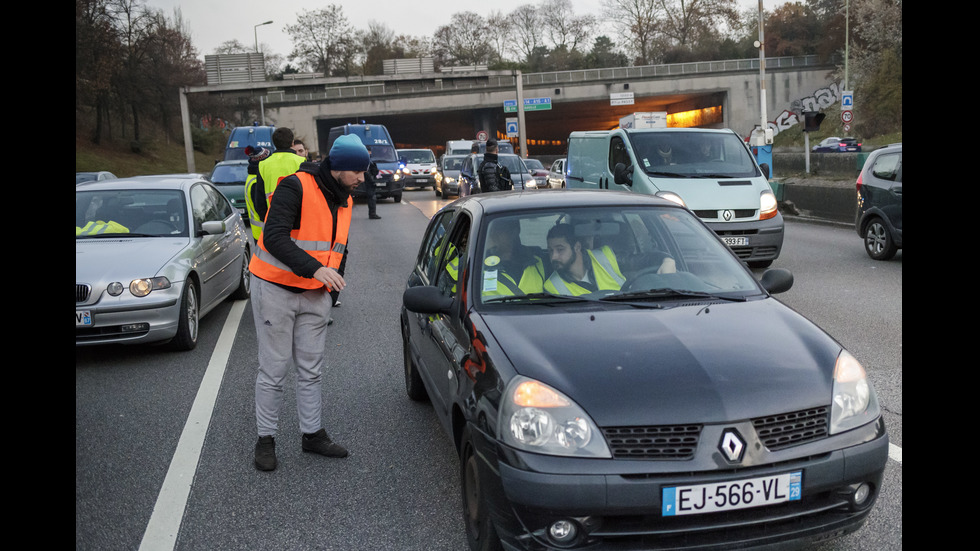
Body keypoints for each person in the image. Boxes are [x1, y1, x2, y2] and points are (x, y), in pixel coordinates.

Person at [247, 134, 370, 471]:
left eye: (364, 172)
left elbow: (340, 248)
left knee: (311, 369)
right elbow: (272, 237)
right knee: (273, 369)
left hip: (317, 294)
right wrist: (316, 270)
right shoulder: (295, 186)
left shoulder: (345, 199)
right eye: (357, 172)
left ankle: (312, 434)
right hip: (275, 288)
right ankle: (265, 440)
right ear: (337, 168)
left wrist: (331, 293)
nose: (362, 179)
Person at [244, 127, 306, 242]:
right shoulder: (301, 162)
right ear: (292, 143)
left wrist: (267, 220)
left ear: (274, 143)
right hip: (298, 223)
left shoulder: (263, 165)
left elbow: (260, 201)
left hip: (273, 222)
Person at [543, 223, 626, 296]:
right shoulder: (552, 286)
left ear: (577, 247)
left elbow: (635, 263)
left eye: (560, 249)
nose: (554, 256)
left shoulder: (606, 256)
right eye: (550, 250)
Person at [481, 219, 546, 298]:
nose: (493, 236)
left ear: (514, 232)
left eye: (498, 231)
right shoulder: (477, 266)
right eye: (490, 232)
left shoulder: (538, 262)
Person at [364, 145, 381, 220]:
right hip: (368, 182)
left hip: (369, 181)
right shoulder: (366, 160)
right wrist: (372, 181)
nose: (370, 152)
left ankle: (372, 213)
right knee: (372, 198)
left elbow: (373, 170)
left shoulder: (369, 160)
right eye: (369, 151)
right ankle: (372, 214)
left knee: (372, 197)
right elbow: (367, 172)